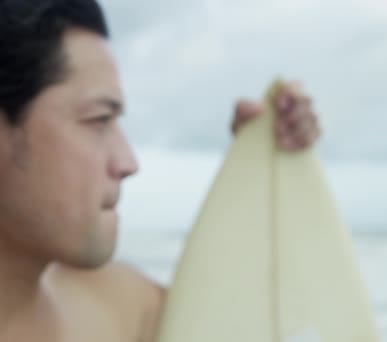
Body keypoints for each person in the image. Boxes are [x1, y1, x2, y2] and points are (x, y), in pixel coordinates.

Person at [0, 1, 321, 341]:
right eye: (98, 120)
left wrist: (258, 166)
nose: (127, 162)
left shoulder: (116, 309)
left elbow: (246, 322)